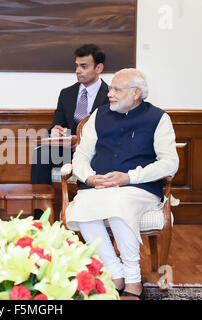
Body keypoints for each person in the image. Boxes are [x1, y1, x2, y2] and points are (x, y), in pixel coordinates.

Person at [65, 68, 179, 299]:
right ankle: (115, 274)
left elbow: (169, 163)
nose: (110, 94)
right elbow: (81, 155)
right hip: (99, 185)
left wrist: (129, 177)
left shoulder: (158, 118)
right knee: (80, 208)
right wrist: (88, 177)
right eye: (111, 89)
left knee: (118, 203)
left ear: (136, 93)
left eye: (117, 89)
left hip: (138, 188)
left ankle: (133, 280)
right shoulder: (99, 115)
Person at [30, 44, 109, 185]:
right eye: (77, 65)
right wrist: (55, 131)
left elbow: (112, 132)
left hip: (97, 152)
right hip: (68, 151)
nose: (78, 70)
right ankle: (40, 206)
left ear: (99, 68)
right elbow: (57, 124)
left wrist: (83, 143)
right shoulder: (66, 94)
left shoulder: (111, 95)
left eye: (83, 66)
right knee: (41, 155)